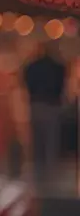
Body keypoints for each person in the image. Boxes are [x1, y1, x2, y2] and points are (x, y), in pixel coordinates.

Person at [22, 42, 68, 189]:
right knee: (50, 141)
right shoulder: (58, 67)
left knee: (37, 142)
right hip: (51, 106)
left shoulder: (33, 66)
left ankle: (38, 174)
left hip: (37, 105)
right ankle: (48, 174)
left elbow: (25, 78)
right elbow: (61, 85)